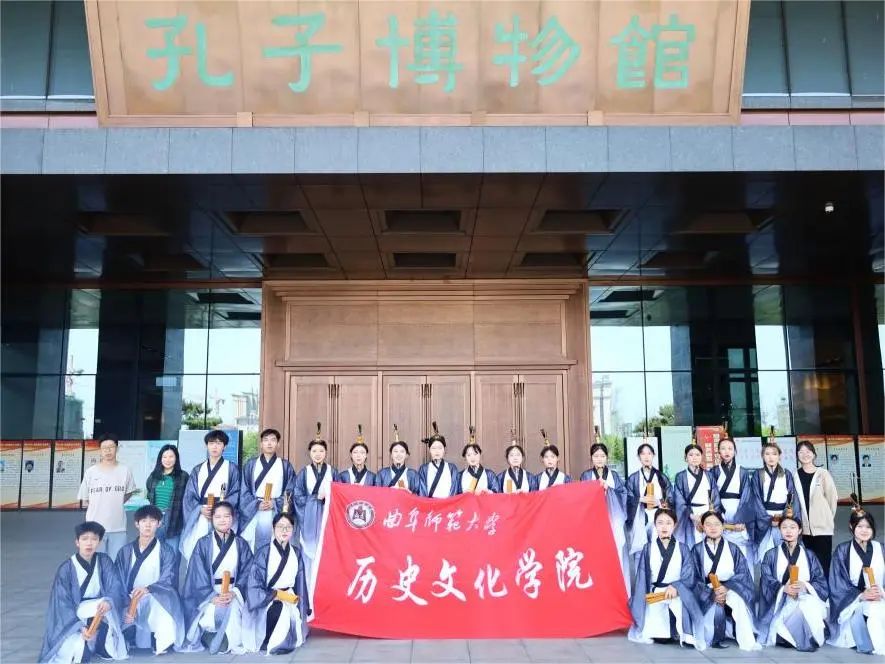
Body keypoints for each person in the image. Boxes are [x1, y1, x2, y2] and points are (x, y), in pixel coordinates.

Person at [39, 521, 128, 663]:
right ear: (77, 542)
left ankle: (101, 644)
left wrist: (109, 601)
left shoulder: (104, 561)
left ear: (99, 542)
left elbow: (115, 585)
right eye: (85, 539)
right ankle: (86, 641)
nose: (89, 543)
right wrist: (80, 627)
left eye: (94, 539)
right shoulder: (66, 568)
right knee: (80, 656)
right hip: (74, 615)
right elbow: (62, 604)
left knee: (107, 604)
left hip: (100, 609)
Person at [628, 502, 705, 650]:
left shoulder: (682, 548)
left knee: (684, 623)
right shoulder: (648, 548)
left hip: (678, 592)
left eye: (668, 523)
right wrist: (641, 599)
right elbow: (642, 577)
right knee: (661, 638)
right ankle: (668, 628)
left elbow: (689, 575)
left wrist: (676, 587)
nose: (664, 527)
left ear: (674, 525)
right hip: (656, 593)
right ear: (655, 525)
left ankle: (678, 629)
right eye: (660, 523)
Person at [181, 501, 253, 655]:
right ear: (212, 519)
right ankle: (211, 634)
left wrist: (235, 592)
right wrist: (212, 597)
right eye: (218, 517)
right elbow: (196, 574)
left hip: (234, 592)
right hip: (210, 593)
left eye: (226, 516)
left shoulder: (241, 544)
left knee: (232, 610)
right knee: (213, 614)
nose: (222, 520)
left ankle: (226, 640)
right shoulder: (203, 544)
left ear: (232, 518)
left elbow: (248, 572)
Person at [114, 505, 184, 655]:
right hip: (130, 597)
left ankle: (158, 640)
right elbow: (117, 580)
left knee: (164, 615)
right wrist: (127, 599)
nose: (147, 525)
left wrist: (148, 589)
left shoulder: (166, 551)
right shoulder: (125, 551)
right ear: (136, 524)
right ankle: (129, 635)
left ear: (159, 524)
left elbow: (169, 577)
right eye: (143, 521)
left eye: (152, 521)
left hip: (156, 595)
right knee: (116, 616)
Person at [757, 506, 828, 651]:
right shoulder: (770, 555)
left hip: (804, 597)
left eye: (793, 527)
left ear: (800, 530)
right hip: (780, 602)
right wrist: (783, 589)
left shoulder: (809, 555)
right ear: (779, 530)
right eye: (784, 527)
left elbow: (820, 580)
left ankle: (800, 636)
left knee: (806, 606)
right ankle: (800, 637)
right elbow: (766, 580)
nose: (788, 531)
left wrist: (805, 586)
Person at [691, 510, 760, 651]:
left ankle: (747, 642)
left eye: (717, 524)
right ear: (702, 527)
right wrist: (710, 593)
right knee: (710, 623)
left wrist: (727, 587)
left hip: (731, 587)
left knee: (739, 602)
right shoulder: (697, 549)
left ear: (723, 526)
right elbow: (693, 577)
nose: (713, 528)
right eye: (708, 524)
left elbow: (743, 574)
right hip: (707, 589)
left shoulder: (733, 548)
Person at [245, 511, 310, 654]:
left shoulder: (296, 553)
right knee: (277, 608)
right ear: (273, 529)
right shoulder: (264, 552)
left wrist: (304, 605)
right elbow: (254, 582)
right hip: (268, 597)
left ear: (293, 530)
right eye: (280, 527)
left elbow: (300, 582)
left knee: (291, 620)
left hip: (289, 596)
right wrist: (271, 595)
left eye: (288, 527)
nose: (284, 531)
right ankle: (267, 638)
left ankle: (281, 638)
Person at [827, 501, 885, 655]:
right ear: (851, 527)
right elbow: (837, 584)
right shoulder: (842, 551)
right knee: (873, 610)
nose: (864, 530)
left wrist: (881, 592)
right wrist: (861, 595)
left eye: (868, 527)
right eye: (860, 526)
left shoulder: (881, 549)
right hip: (853, 603)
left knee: (878, 608)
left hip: (880, 597)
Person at [179, 430, 241, 563]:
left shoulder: (232, 468)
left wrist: (220, 510)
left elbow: (236, 493)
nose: (214, 446)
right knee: (197, 550)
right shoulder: (197, 469)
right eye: (211, 443)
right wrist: (199, 509)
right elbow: (189, 496)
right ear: (206, 445)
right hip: (202, 513)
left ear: (224, 446)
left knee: (222, 552)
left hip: (222, 514)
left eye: (218, 443)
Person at [580, 442, 630, 595]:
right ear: (591, 458)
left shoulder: (614, 475)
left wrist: (609, 488)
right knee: (596, 554)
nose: (599, 459)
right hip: (594, 521)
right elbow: (581, 497)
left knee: (616, 551)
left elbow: (623, 494)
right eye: (596, 456)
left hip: (613, 519)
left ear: (607, 458)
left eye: (602, 456)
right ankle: (599, 590)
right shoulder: (586, 475)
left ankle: (618, 590)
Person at [77, 434, 136, 560]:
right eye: (104, 448)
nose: (108, 451)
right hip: (94, 528)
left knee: (117, 563)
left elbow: (128, 492)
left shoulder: (125, 470)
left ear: (117, 448)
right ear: (100, 450)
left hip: (118, 527)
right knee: (96, 563)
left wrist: (115, 502)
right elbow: (86, 499)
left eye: (111, 447)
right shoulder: (91, 472)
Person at [239, 428, 297, 553]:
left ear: (278, 444)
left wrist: (275, 503)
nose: (269, 443)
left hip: (275, 510)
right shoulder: (251, 464)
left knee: (275, 546)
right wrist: (256, 504)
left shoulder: (285, 466)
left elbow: (290, 491)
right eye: (265, 440)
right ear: (261, 444)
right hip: (255, 510)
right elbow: (244, 490)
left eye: (273, 440)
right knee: (251, 546)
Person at [293, 424, 335, 589]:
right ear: (309, 453)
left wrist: (328, 497)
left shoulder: (332, 471)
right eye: (314, 451)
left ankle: (325, 589)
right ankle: (308, 590)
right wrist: (314, 499)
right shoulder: (304, 472)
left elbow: (339, 495)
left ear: (326, 453)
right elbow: (297, 496)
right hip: (309, 518)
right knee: (308, 555)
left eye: (321, 451)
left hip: (327, 517)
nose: (318, 454)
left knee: (327, 553)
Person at [710, 438, 755, 576]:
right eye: (723, 448)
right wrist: (718, 516)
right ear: (718, 452)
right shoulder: (714, 471)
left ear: (735, 451)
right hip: (721, 511)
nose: (727, 451)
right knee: (723, 553)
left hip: (738, 511)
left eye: (730, 448)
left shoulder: (742, 471)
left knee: (742, 552)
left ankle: (746, 582)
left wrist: (741, 519)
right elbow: (713, 495)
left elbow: (747, 496)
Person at [751, 441, 800, 567]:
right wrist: (767, 519)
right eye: (767, 454)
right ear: (762, 456)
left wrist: (784, 518)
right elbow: (755, 499)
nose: (771, 457)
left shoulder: (786, 474)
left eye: (774, 454)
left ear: (779, 456)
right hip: (764, 518)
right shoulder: (758, 474)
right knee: (765, 554)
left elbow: (791, 497)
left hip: (783, 517)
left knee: (784, 554)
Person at [793, 440, 838, 576]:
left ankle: (825, 589)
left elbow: (832, 498)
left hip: (822, 527)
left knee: (824, 563)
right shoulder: (795, 475)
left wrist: (827, 517)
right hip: (805, 529)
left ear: (814, 454)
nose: (805, 454)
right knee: (810, 563)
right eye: (801, 452)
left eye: (808, 451)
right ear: (797, 455)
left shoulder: (823, 474)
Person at [626, 442, 672, 563]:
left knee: (657, 547)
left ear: (653, 455)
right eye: (643, 454)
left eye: (649, 453)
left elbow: (670, 497)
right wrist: (639, 499)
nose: (646, 457)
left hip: (658, 514)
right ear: (638, 457)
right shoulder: (633, 478)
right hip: (639, 516)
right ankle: (640, 573)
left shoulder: (662, 477)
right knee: (640, 550)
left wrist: (659, 501)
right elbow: (627, 498)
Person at [673, 443, 722, 547]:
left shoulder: (709, 475)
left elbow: (715, 497)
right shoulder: (680, 476)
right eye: (691, 455)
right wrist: (692, 516)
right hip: (689, 515)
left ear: (701, 457)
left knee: (709, 544)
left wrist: (710, 514)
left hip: (708, 513)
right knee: (691, 545)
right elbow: (678, 500)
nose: (694, 458)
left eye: (697, 455)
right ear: (685, 458)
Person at [146, 444, 189, 553]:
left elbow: (187, 499)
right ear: (160, 459)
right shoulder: (154, 476)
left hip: (174, 518)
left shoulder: (183, 476)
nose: (167, 460)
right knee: (155, 553)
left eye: (171, 456)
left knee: (172, 553)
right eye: (164, 457)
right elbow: (149, 494)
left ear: (176, 458)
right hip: (156, 517)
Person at [418, 422, 459, 498]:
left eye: (440, 448)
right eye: (433, 448)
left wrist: (449, 503)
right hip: (430, 504)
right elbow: (422, 491)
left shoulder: (452, 468)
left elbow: (454, 490)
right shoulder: (424, 469)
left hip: (448, 504)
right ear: (429, 450)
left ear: (444, 449)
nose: (437, 451)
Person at [459, 430, 499, 494]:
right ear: (465, 457)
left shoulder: (489, 474)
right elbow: (457, 495)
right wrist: (465, 493)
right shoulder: (460, 475)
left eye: (475, 454)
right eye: (469, 455)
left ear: (480, 455)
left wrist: (486, 491)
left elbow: (497, 493)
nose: (472, 457)